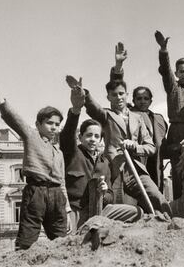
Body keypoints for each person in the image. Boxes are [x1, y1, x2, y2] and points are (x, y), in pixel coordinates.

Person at [0, 73, 71, 250]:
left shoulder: (59, 152)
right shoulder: (32, 136)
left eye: (57, 124)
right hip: (36, 192)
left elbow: (62, 181)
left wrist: (66, 208)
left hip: (57, 195)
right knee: (27, 241)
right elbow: (14, 118)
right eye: (49, 123)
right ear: (38, 124)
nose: (54, 127)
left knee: (62, 241)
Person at [65, 75, 170, 215]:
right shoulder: (106, 115)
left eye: (121, 94)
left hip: (135, 170)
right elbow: (92, 107)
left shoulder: (138, 118)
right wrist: (84, 94)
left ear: (127, 95)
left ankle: (170, 227)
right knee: (116, 207)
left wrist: (135, 146)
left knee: (156, 197)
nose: (119, 97)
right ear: (108, 97)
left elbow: (151, 147)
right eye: (114, 95)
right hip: (113, 170)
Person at [59, 85, 143, 231]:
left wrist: (104, 192)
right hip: (77, 210)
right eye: (89, 135)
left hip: (100, 211)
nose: (92, 139)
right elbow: (67, 135)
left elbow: (110, 196)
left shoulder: (105, 162)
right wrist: (76, 110)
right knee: (73, 237)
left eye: (96, 136)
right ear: (80, 137)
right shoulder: (72, 153)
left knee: (136, 212)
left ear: (101, 140)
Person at [110, 42, 168, 191]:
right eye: (139, 98)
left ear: (151, 100)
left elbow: (163, 143)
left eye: (146, 98)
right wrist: (118, 67)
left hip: (155, 164)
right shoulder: (127, 114)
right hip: (134, 163)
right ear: (133, 100)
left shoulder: (159, 119)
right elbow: (116, 88)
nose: (142, 101)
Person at [155, 30, 184, 199]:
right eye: (181, 71)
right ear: (176, 74)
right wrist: (163, 51)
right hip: (177, 132)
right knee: (179, 170)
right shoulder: (173, 88)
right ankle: (180, 206)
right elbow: (166, 70)